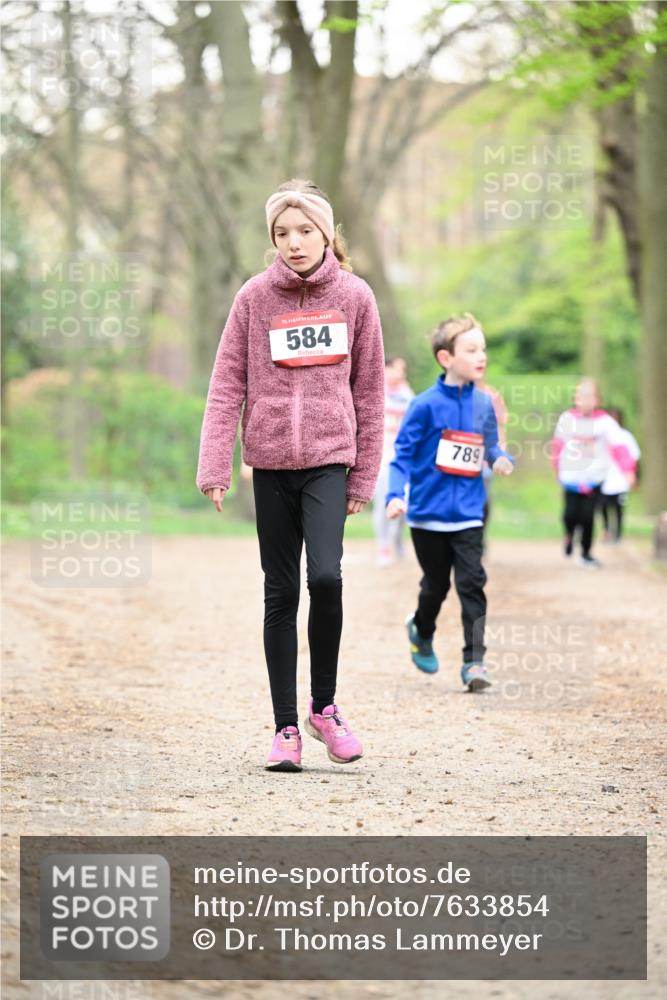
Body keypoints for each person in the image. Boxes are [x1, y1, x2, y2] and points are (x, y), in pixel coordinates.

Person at [196, 179, 385, 772]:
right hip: (271, 464)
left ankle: (324, 708)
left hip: (330, 460)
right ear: (272, 239)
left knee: (325, 579)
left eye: (305, 231)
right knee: (279, 594)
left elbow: (371, 391)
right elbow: (228, 382)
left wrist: (363, 476)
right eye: (282, 233)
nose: (294, 243)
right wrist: (215, 462)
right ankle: (285, 730)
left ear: (327, 234)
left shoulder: (356, 297)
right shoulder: (254, 298)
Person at [385, 314, 514, 691]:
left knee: (472, 583)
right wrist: (395, 495)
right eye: (471, 350)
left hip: (470, 514)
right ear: (446, 358)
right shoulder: (424, 406)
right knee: (436, 586)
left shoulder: (483, 404)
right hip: (427, 517)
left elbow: (490, 446)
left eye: (483, 349)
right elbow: (402, 456)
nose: (482, 356)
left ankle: (474, 662)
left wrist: (502, 458)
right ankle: (421, 629)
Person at [550, 379, 636, 568]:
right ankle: (569, 534)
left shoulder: (605, 422)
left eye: (589, 396)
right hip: (571, 478)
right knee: (570, 515)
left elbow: (620, 447)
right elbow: (557, 446)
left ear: (597, 400)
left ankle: (586, 553)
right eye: (580, 396)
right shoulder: (567, 418)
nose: (584, 400)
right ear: (575, 399)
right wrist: (556, 467)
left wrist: (628, 470)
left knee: (588, 517)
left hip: (593, 479)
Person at [373, 356, 414, 566]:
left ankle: (396, 540)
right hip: (381, 458)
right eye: (399, 369)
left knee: (402, 504)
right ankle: (384, 546)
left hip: (402, 457)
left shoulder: (408, 395)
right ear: (387, 369)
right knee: (383, 504)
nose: (402, 373)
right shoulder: (375, 390)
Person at [600, 407, 640, 543]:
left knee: (618, 508)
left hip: (620, 479)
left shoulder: (626, 436)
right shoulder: (601, 437)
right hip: (604, 479)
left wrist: (633, 475)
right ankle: (606, 531)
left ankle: (618, 534)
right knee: (603, 506)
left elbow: (634, 457)